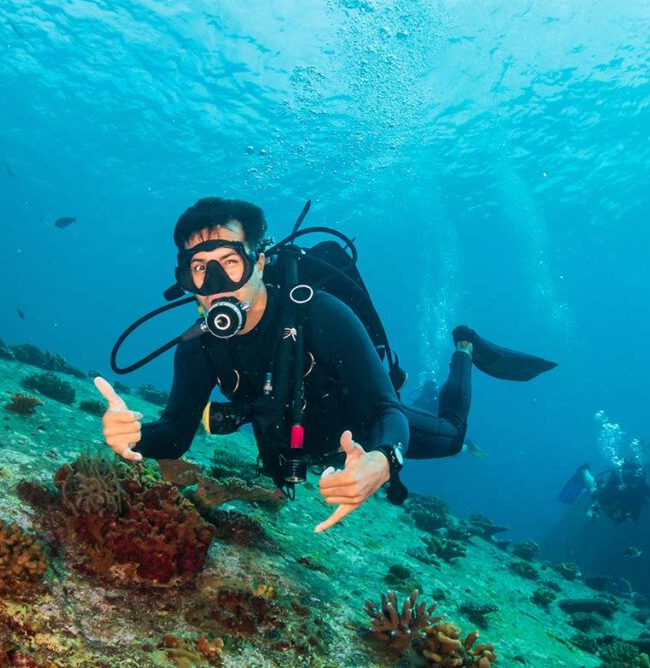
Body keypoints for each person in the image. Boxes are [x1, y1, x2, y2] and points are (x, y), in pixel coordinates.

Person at [96, 197, 556, 533]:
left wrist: (383, 457)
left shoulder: (320, 312)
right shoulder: (197, 347)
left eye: (230, 263)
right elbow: (174, 435)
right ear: (186, 279)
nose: (215, 284)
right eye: (199, 269)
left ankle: (465, 347)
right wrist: (133, 434)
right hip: (297, 446)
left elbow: (386, 411)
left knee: (453, 437)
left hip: (361, 428)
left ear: (260, 262)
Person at [559, 460, 650, 525]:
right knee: (594, 490)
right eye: (627, 475)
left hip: (624, 509)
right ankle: (584, 471)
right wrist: (592, 512)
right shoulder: (615, 483)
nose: (630, 480)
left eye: (633, 476)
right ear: (623, 473)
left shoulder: (642, 484)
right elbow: (597, 502)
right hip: (610, 500)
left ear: (638, 475)